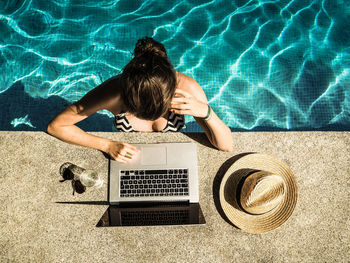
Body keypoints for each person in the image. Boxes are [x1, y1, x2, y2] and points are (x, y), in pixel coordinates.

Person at [47, 37, 233, 163]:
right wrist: (107, 145)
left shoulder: (186, 89)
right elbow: (56, 126)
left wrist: (206, 112)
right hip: (128, 156)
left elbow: (226, 146)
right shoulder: (114, 92)